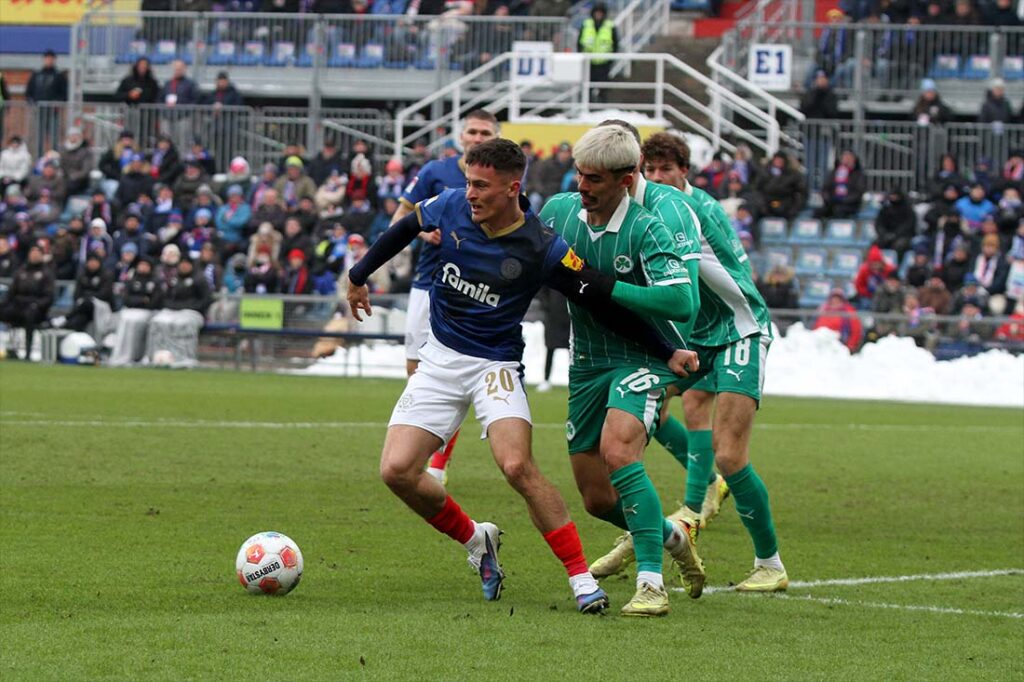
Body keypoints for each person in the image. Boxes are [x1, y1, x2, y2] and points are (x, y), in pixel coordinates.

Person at [346, 138, 694, 614]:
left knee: (517, 467)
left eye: (481, 186)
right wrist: (359, 273)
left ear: (512, 188)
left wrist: (666, 349)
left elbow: (599, 299)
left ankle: (580, 580)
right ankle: (477, 540)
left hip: (495, 367)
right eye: (468, 182)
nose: (469, 194)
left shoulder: (543, 247)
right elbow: (408, 225)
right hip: (440, 359)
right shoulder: (448, 206)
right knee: (396, 471)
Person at [540, 126, 717, 615]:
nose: (582, 186)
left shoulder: (646, 227)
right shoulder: (557, 212)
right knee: (596, 498)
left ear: (626, 178)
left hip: (645, 357)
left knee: (619, 449)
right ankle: (671, 536)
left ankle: (651, 584)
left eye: (594, 178)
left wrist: (604, 286)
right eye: (579, 174)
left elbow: (683, 300)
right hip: (587, 364)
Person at [610, 129, 787, 594]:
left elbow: (727, 273)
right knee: (640, 409)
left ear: (684, 171)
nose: (657, 177)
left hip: (737, 329)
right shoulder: (650, 210)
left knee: (730, 453)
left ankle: (769, 563)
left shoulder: (697, 210)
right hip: (695, 334)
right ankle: (678, 509)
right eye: (650, 170)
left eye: (666, 169)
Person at [389, 109, 499, 483]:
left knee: (454, 369)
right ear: (460, 136)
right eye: (472, 131)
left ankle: (437, 464)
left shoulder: (503, 178)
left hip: (466, 288)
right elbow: (399, 220)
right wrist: (424, 233)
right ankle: (419, 452)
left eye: (485, 131)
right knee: (414, 369)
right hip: (427, 281)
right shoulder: (437, 172)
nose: (478, 137)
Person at [0, 243, 54, 359]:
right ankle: (8, 349)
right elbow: (11, 293)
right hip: (18, 306)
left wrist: (37, 305)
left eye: (36, 253)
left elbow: (49, 296)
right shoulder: (21, 271)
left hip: (36, 309)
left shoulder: (46, 273)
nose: (34, 255)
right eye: (32, 252)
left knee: (30, 315)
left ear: (41, 255)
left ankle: (28, 353)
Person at [25, 50, 68, 156]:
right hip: (39, 111)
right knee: (39, 136)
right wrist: (32, 103)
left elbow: (64, 94)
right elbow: (29, 92)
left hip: (53, 111)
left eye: (51, 58)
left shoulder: (59, 75)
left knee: (54, 136)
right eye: (47, 58)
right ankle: (39, 158)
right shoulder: (37, 75)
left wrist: (57, 103)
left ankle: (53, 159)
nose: (49, 60)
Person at [577, 3, 618, 103]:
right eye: (597, 12)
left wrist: (611, 60)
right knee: (587, 87)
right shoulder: (586, 24)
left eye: (600, 13)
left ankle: (602, 107)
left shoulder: (610, 26)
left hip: (604, 62)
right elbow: (579, 43)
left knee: (603, 87)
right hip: (588, 62)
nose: (598, 15)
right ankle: (587, 107)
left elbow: (615, 43)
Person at [536, 286, 569, 392]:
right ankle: (546, 380)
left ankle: (574, 379)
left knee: (573, 352)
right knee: (550, 349)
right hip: (552, 318)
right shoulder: (551, 273)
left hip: (570, 319)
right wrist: (547, 306)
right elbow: (541, 292)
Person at [816, 149, 865, 219]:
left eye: (849, 158)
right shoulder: (834, 172)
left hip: (850, 204)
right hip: (832, 202)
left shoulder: (858, 174)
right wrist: (829, 198)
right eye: (844, 158)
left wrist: (843, 200)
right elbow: (825, 188)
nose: (846, 160)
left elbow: (858, 192)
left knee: (839, 211)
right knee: (818, 212)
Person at [874, 189, 917, 262]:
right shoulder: (885, 209)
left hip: (903, 236)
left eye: (895, 196)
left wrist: (895, 234)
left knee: (899, 245)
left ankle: (896, 267)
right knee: (876, 244)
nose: (893, 197)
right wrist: (884, 234)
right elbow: (879, 224)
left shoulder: (907, 209)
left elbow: (908, 225)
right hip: (886, 235)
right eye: (891, 195)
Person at [61, 127, 94, 196]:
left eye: (76, 135)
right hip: (65, 179)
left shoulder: (85, 151)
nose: (74, 138)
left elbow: (86, 170)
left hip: (80, 181)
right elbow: (61, 165)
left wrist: (74, 176)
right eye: (72, 135)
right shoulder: (63, 150)